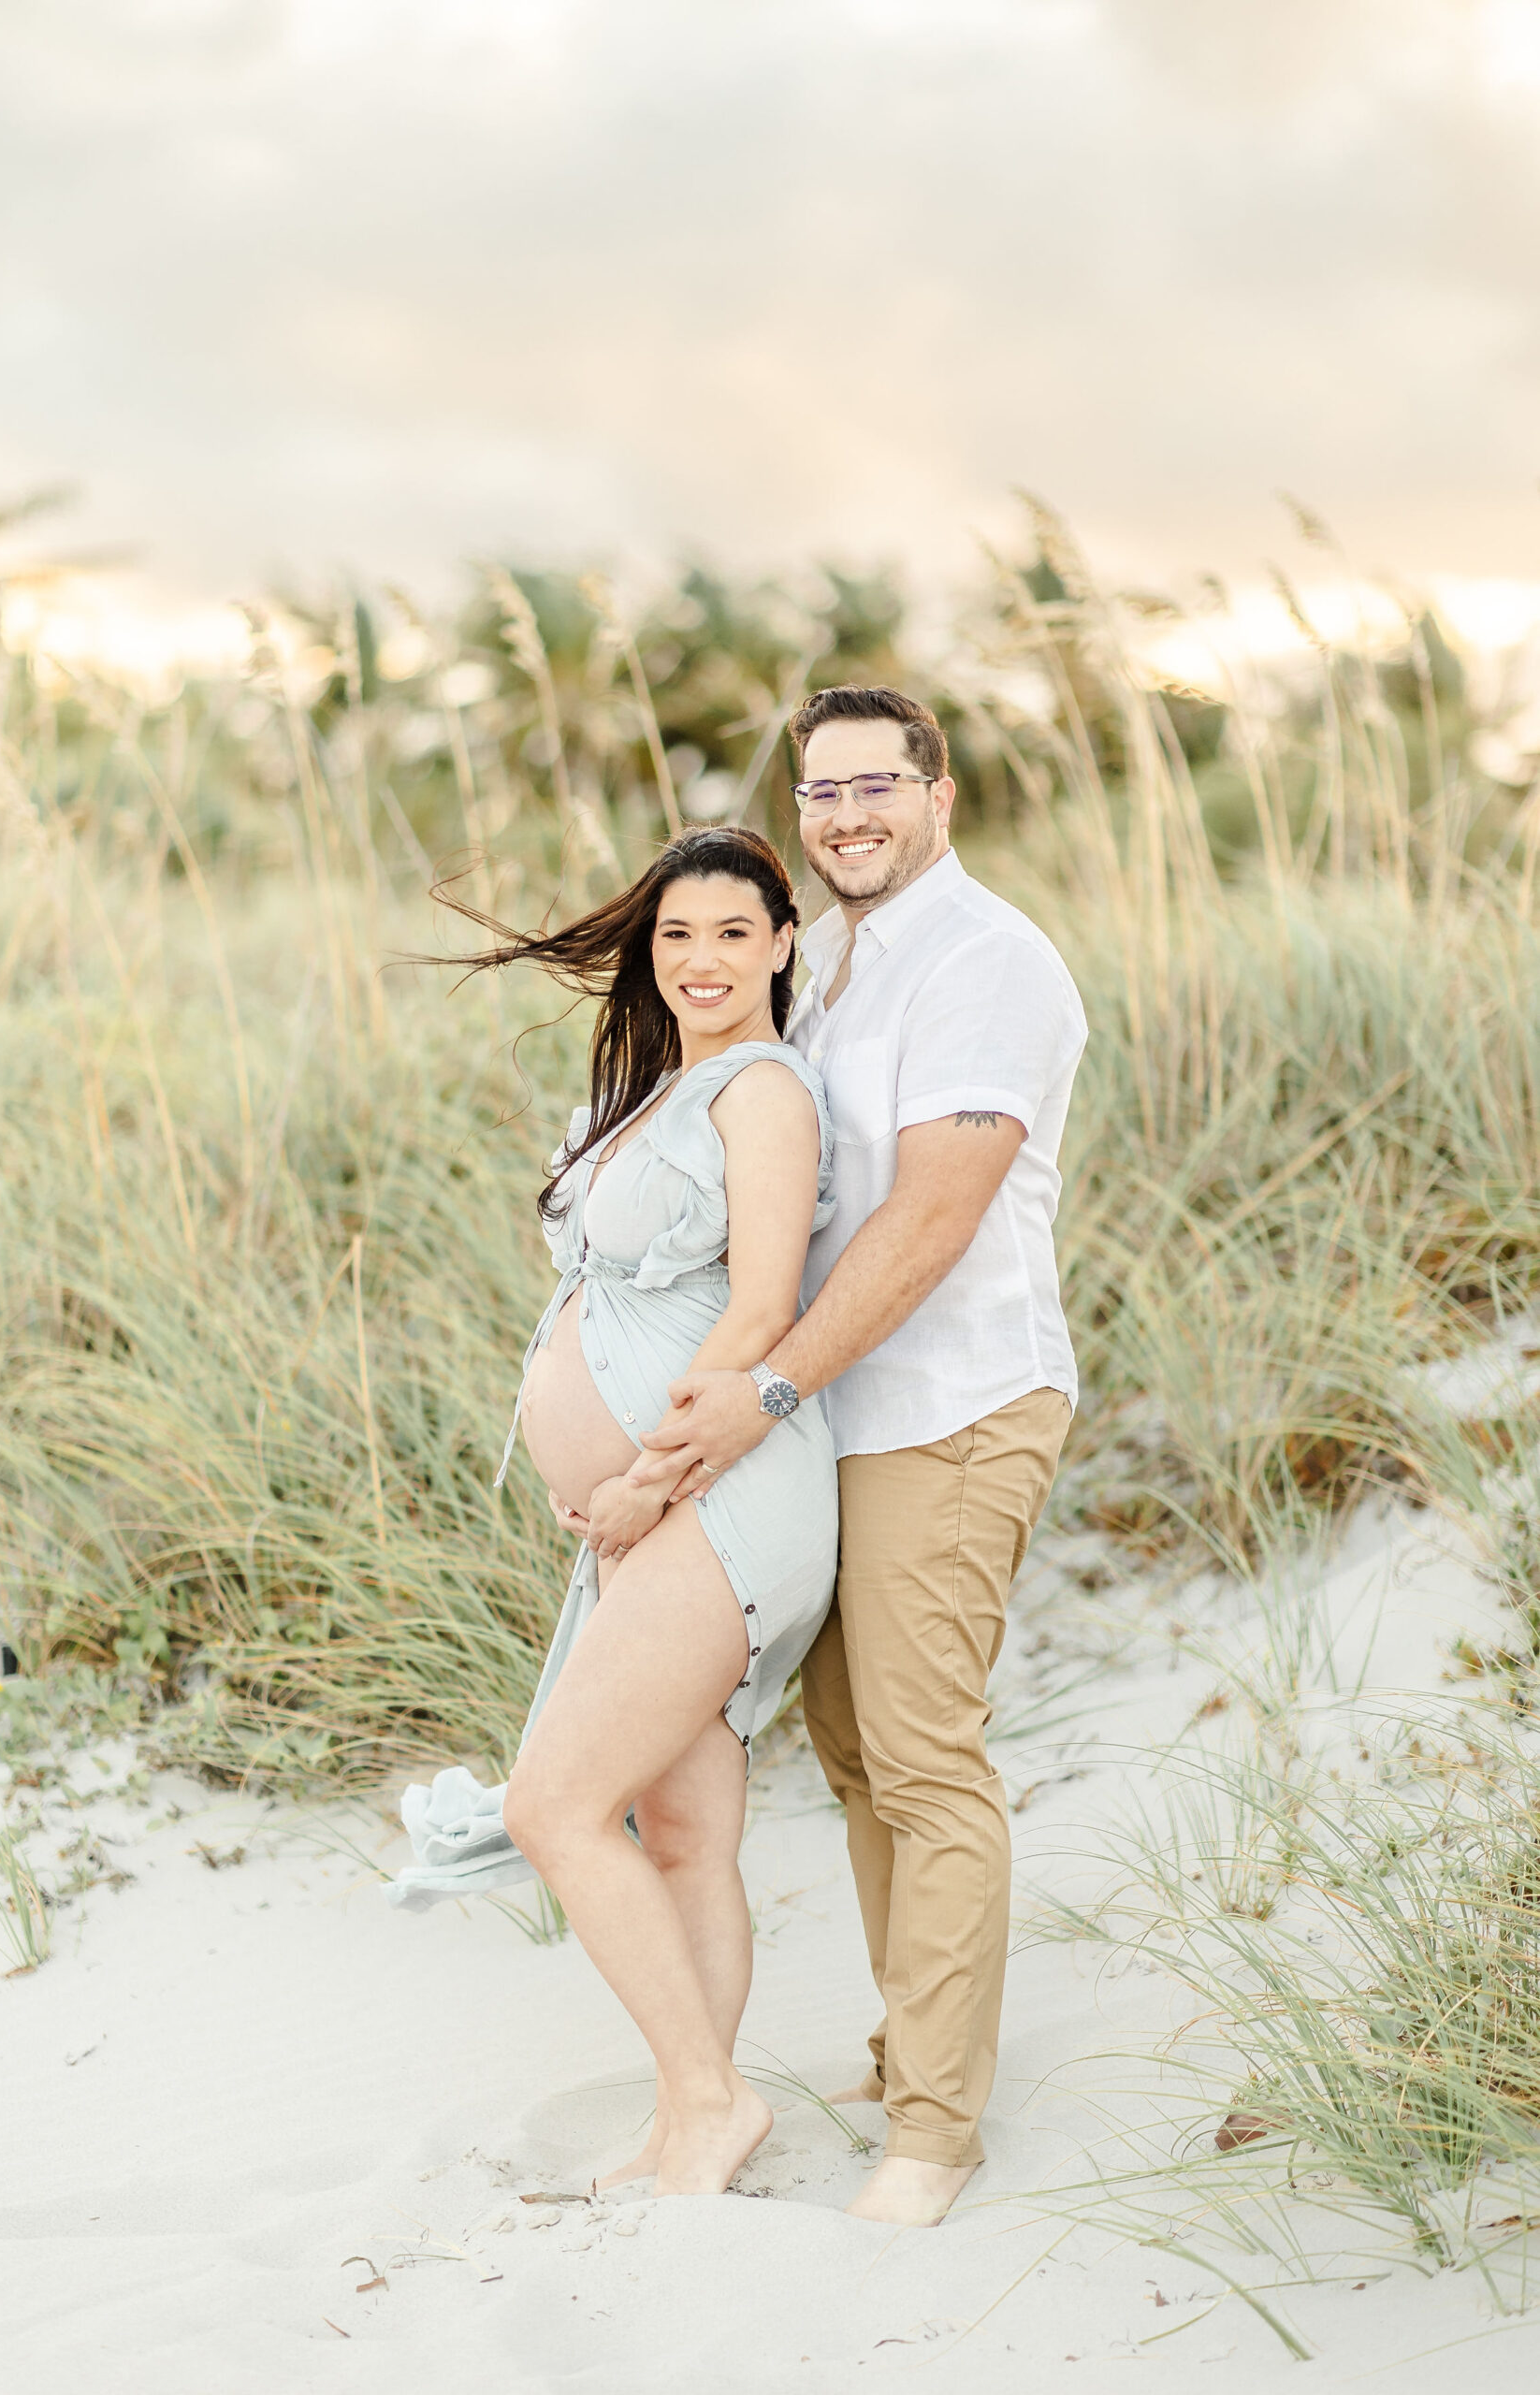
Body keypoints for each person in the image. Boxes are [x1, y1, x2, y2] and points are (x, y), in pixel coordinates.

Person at [642, 686, 1087, 2227]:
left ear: (942, 795)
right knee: (851, 1757)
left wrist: (762, 1386)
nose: (845, 814)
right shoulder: (828, 960)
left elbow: (932, 1217)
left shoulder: (989, 964)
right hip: (836, 1417)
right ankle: (912, 2051)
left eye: (877, 784)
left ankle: (937, 2134)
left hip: (949, 1410)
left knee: (922, 1757)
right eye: (821, 791)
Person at [392, 826, 840, 2200]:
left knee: (557, 1807)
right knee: (688, 1833)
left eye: (729, 933)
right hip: (662, 1510)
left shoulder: (763, 1091)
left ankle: (709, 2106)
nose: (701, 961)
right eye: (675, 937)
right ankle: (684, 2124)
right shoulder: (665, 1089)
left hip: (720, 1494)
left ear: (780, 942)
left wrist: (650, 1475)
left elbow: (766, 1311)